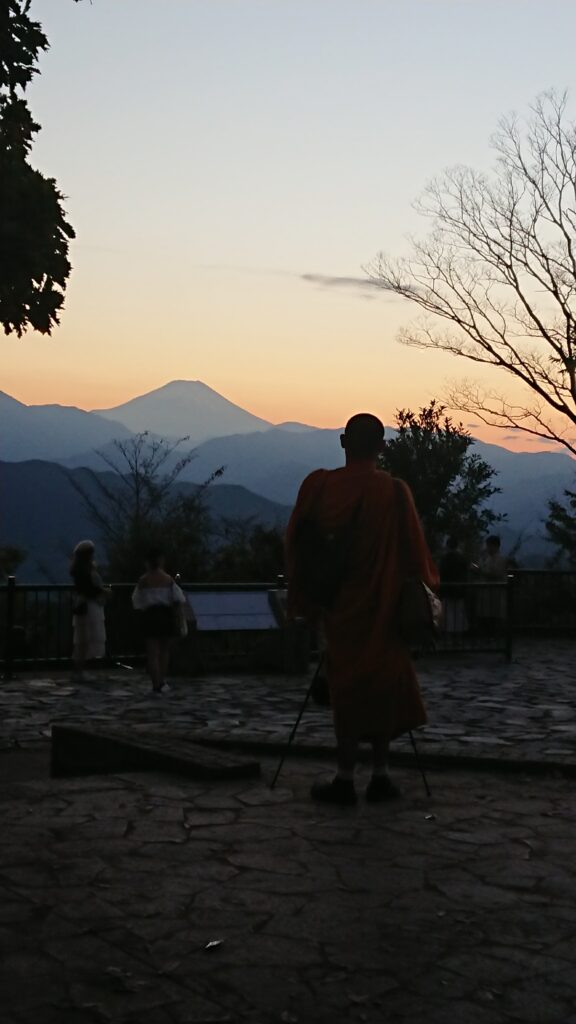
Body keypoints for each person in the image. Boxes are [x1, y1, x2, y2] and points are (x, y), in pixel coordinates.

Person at [286, 413, 438, 805]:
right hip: (385, 608)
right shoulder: (395, 492)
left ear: (342, 442)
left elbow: (297, 544)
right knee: (383, 688)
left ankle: (344, 776)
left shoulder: (319, 487)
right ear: (383, 447)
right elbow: (416, 558)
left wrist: (306, 599)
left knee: (346, 690)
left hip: (339, 609)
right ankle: (381, 775)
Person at [132, 549, 189, 693]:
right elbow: (179, 598)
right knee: (164, 651)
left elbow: (136, 601)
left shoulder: (143, 581)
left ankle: (155, 683)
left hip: (150, 616)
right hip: (165, 615)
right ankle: (162, 681)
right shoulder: (168, 579)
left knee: (152, 652)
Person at [70, 540, 108, 682]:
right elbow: (89, 589)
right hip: (88, 607)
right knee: (84, 638)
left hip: (85, 606)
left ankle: (80, 670)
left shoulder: (80, 570)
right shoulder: (84, 571)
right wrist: (104, 591)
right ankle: (79, 670)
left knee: (83, 638)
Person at [439, 535, 469, 635]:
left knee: (448, 614)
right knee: (459, 614)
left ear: (448, 546)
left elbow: (441, 572)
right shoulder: (462, 558)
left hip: (447, 589)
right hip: (459, 590)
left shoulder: (445, 559)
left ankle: (449, 636)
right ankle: (458, 636)